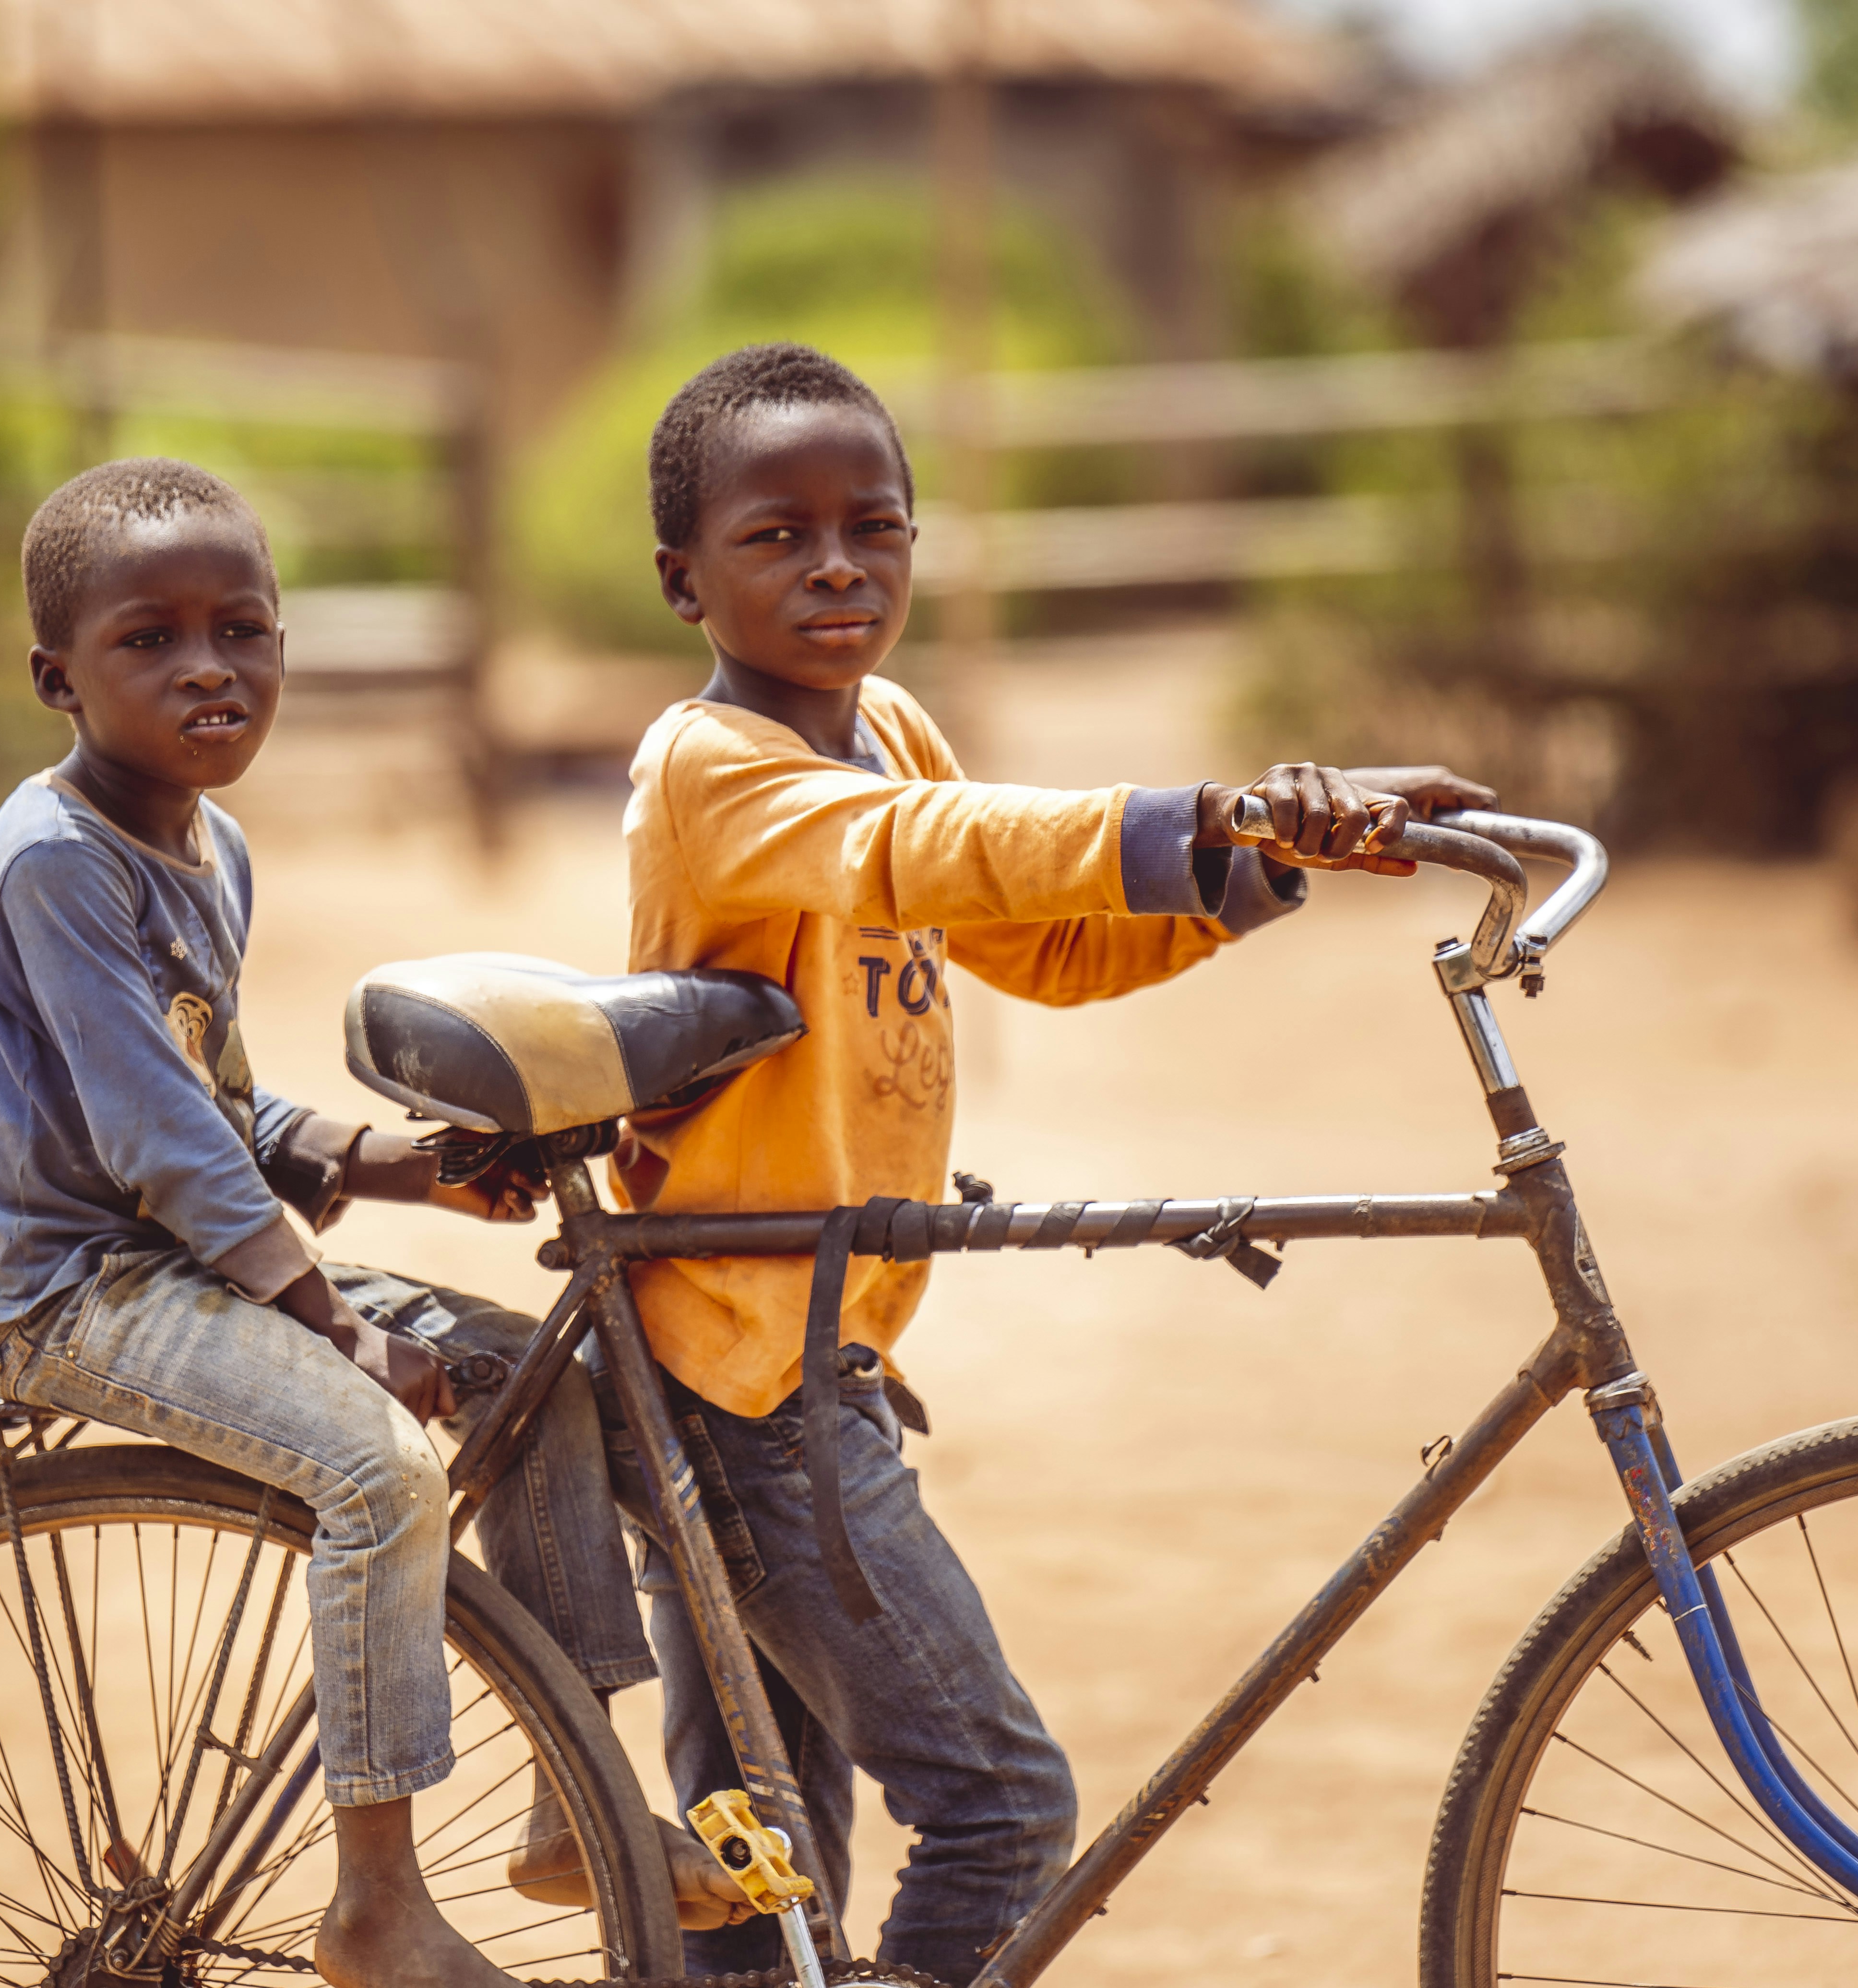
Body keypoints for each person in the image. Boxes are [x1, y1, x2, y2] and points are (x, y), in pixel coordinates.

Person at [611, 343, 1494, 1980]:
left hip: (810, 1348)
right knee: (1000, 1807)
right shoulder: (712, 769)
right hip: (748, 1376)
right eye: (777, 536)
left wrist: (1252, 860)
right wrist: (1205, 802)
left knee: (761, 1861)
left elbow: (1051, 945)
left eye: (875, 527)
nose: (836, 565)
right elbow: (918, 854)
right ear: (684, 580)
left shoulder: (885, 723)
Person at [0, 458, 738, 1988]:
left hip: (178, 1258)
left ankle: (586, 1808)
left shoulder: (208, 849)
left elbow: (219, 1109)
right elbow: (163, 1145)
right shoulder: (50, 865)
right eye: (148, 640)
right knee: (375, 1464)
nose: (208, 668)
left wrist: (409, 1167)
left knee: (527, 1378)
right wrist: (341, 1326)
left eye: (244, 629)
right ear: (58, 678)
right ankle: (380, 1906)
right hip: (65, 1289)